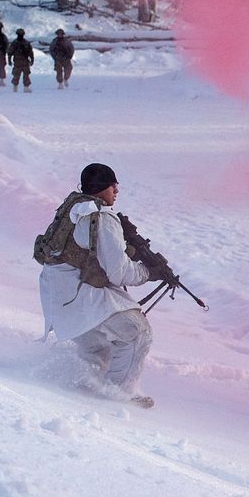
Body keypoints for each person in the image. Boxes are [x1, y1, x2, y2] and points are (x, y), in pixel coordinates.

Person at [38, 163, 161, 408]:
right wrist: (148, 272)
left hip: (60, 294)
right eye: (112, 184)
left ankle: (86, 388)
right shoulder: (102, 217)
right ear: (100, 187)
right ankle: (118, 397)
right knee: (136, 333)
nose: (116, 189)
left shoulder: (75, 207)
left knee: (98, 344)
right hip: (78, 295)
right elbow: (119, 272)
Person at [7, 28, 33, 92]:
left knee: (26, 75)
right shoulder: (15, 43)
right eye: (19, 34)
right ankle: (15, 87)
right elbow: (10, 52)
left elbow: (30, 52)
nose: (20, 35)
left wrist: (32, 59)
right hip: (18, 61)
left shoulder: (26, 43)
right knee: (16, 75)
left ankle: (26, 87)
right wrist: (9, 60)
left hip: (24, 61)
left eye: (21, 34)